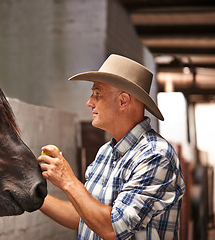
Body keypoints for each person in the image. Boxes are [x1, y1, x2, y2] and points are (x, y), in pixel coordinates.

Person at [38, 54, 185, 240]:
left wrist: (67, 180)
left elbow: (113, 228)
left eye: (97, 94)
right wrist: (34, 196)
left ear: (123, 101)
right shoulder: (105, 152)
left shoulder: (156, 155)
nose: (89, 102)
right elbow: (86, 216)